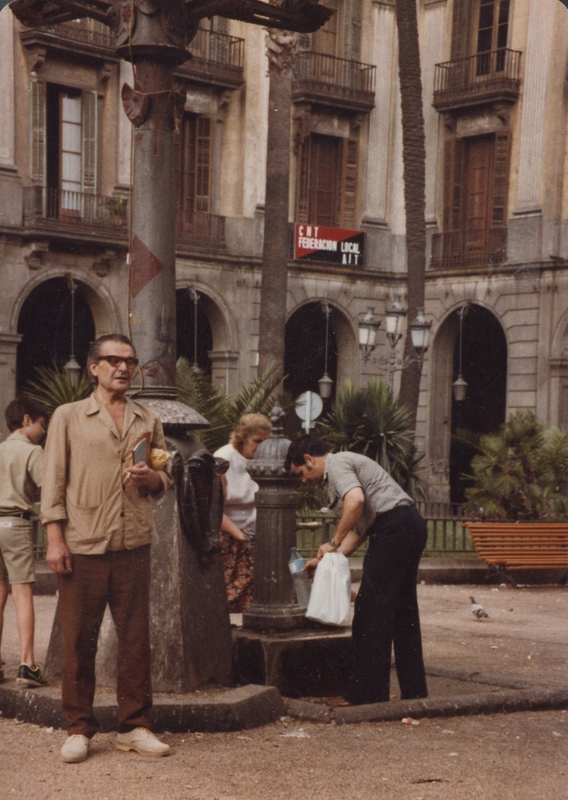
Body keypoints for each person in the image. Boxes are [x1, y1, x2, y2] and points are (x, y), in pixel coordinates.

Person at [41, 334, 172, 764]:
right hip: (83, 544)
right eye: (113, 360)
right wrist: (55, 539)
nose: (123, 368)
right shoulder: (69, 416)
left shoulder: (147, 418)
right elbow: (53, 482)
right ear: (93, 367)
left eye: (130, 361)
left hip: (133, 542)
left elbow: (163, 475)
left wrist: (151, 480)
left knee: (136, 641)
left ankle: (134, 726)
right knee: (79, 638)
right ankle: (78, 728)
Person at [285, 435, 428, 707]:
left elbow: (356, 502)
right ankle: (415, 692)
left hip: (395, 527)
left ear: (309, 459)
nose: (304, 480)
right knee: (403, 610)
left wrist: (332, 542)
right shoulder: (341, 468)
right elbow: (360, 528)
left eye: (301, 474)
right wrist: (328, 558)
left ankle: (366, 694)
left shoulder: (337, 463)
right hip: (408, 525)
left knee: (369, 608)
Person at [0, 396, 49, 688]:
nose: (43, 431)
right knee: (22, 594)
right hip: (15, 523)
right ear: (28, 420)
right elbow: (49, 489)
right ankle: (27, 664)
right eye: (42, 424)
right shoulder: (33, 452)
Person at [214, 414, 271, 613]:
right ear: (242, 438)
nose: (262, 447)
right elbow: (213, 509)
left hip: (255, 529)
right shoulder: (223, 459)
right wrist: (240, 536)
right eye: (257, 441)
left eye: (266, 442)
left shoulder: (265, 460)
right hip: (226, 530)